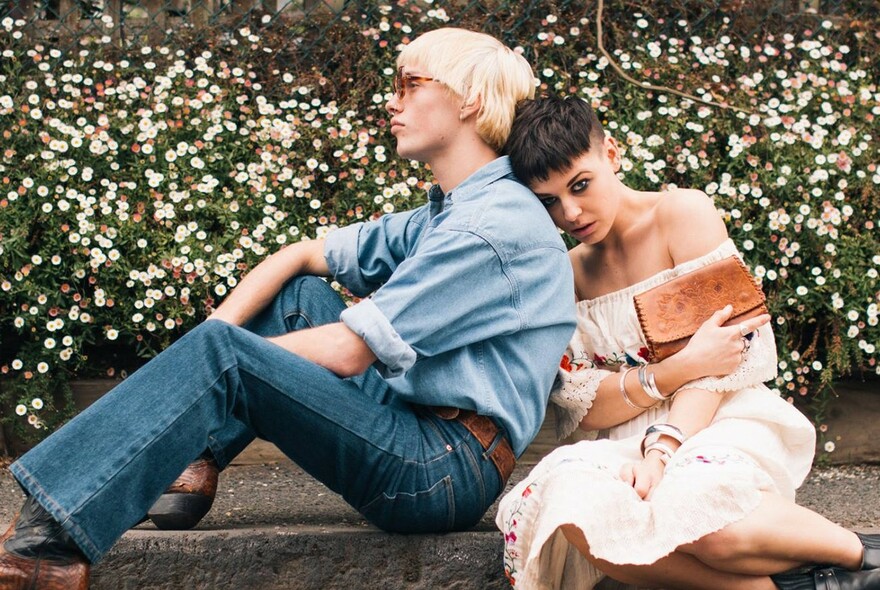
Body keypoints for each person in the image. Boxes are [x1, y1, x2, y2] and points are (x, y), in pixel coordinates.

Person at [0, 29, 578, 588]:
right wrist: (206, 351)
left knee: (226, 357)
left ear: (470, 101)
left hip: (443, 470)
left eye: (409, 84)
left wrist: (216, 364)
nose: (391, 100)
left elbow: (350, 352)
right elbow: (303, 254)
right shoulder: (449, 212)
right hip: (413, 425)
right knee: (292, 303)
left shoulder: (491, 227)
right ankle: (192, 457)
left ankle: (40, 549)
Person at [495, 94, 880, 590]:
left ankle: (861, 556)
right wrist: (675, 369)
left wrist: (662, 446)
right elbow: (581, 407)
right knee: (569, 506)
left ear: (611, 154)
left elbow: (728, 358)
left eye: (580, 185)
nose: (569, 212)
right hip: (624, 446)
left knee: (696, 513)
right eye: (548, 200)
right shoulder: (568, 273)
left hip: (718, 418)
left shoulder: (680, 214)